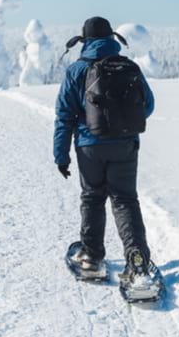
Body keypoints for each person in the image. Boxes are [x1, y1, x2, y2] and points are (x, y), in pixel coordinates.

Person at [54, 16, 156, 281]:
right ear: (112, 38)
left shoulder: (76, 70)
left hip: (89, 148)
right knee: (125, 200)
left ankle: (92, 255)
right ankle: (137, 259)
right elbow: (148, 106)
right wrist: (123, 124)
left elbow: (64, 116)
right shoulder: (128, 66)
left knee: (92, 198)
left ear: (84, 40)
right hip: (125, 146)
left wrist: (61, 155)